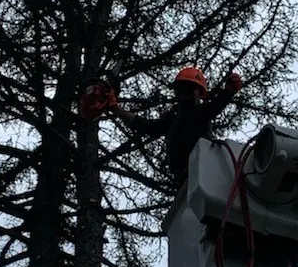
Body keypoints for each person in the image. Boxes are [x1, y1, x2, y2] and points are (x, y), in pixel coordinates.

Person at [96, 67, 242, 190]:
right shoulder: (172, 120)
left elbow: (215, 106)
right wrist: (115, 108)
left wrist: (228, 92)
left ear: (198, 93)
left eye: (190, 88)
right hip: (184, 181)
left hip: (203, 175)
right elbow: (143, 126)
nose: (185, 92)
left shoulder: (201, 113)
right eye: (182, 88)